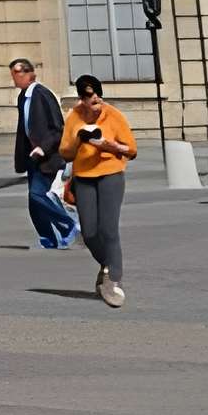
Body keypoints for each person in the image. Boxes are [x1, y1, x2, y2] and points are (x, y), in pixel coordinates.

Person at [58, 74, 138, 308]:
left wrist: (109, 145)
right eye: (89, 96)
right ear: (81, 98)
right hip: (84, 179)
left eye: (97, 94)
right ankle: (107, 265)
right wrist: (79, 140)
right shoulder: (74, 116)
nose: (95, 99)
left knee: (108, 229)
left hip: (111, 175)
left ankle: (113, 280)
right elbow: (65, 153)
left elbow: (131, 150)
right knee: (91, 232)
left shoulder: (113, 115)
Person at [8, 58, 77, 250]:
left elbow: (58, 129)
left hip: (48, 157)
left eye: (17, 72)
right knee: (33, 202)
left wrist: (43, 148)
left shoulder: (43, 95)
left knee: (37, 195)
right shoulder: (23, 97)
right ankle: (47, 237)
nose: (14, 77)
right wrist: (22, 159)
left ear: (29, 74)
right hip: (32, 158)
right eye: (13, 73)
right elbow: (24, 130)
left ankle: (67, 224)